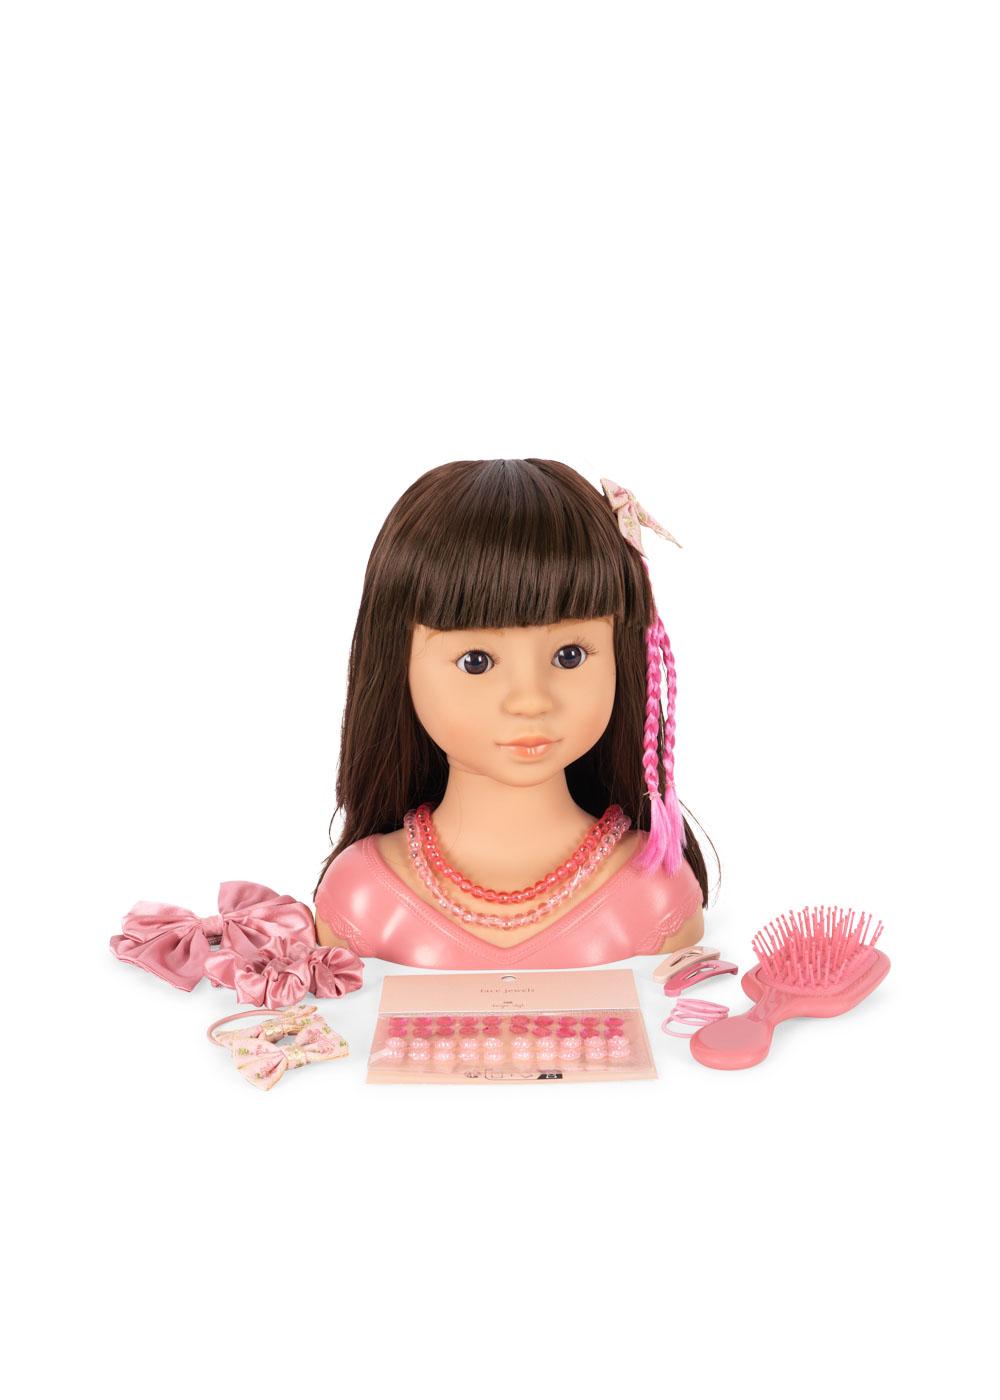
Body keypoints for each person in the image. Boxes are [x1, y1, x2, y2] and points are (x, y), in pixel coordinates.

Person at [312, 457, 714, 969]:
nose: (530, 699)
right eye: (476, 662)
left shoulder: (653, 892)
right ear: (398, 662)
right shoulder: (364, 895)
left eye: (570, 655)